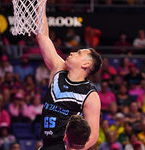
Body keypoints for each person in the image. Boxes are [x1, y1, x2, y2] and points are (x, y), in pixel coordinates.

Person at [36, 4, 102, 150]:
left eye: (78, 53)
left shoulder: (90, 94)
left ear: (85, 64)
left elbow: (93, 137)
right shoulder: (58, 68)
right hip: (46, 145)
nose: (72, 53)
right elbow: (42, 36)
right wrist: (41, 4)